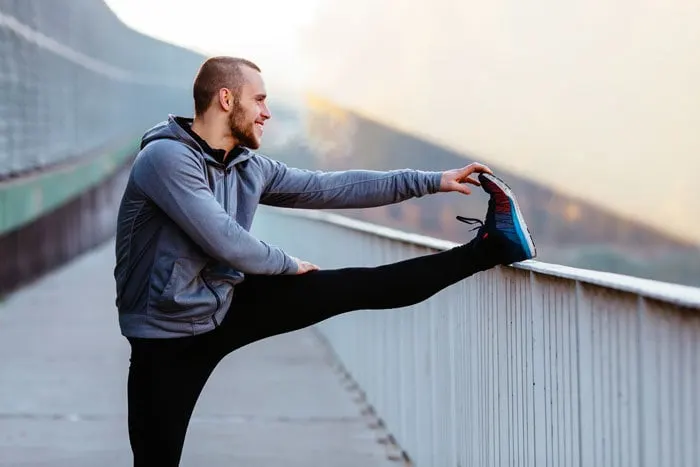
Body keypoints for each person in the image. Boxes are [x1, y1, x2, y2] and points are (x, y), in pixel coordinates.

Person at [114, 56, 536, 466]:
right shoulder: (165, 159)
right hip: (164, 338)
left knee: (354, 286)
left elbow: (329, 188)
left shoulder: (247, 167)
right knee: (155, 460)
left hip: (222, 307)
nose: (266, 113)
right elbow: (226, 241)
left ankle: (492, 247)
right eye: (259, 100)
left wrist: (429, 182)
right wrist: (287, 264)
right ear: (226, 100)